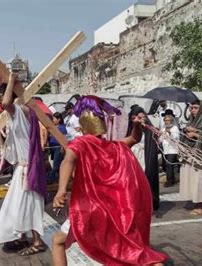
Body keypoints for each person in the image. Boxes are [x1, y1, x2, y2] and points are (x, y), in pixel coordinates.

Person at [52, 95, 167, 265]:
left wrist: (61, 190)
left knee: (58, 241)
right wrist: (136, 126)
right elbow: (134, 138)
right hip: (115, 211)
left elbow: (67, 161)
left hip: (89, 210)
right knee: (121, 250)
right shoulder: (113, 146)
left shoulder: (80, 143)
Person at [0, 74, 47, 256]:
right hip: (21, 167)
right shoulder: (14, 115)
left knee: (30, 204)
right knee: (17, 205)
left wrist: (12, 79)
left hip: (29, 168)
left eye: (1, 94)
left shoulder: (23, 110)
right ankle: (22, 236)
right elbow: (14, 140)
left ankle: (37, 242)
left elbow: (6, 104)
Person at [127, 105, 160, 210]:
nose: (137, 120)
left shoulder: (150, 130)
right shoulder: (130, 131)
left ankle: (149, 203)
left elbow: (154, 145)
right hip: (134, 158)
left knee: (146, 180)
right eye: (134, 118)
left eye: (140, 118)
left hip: (145, 158)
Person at [48, 112, 67, 184]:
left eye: (54, 118)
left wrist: (62, 147)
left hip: (58, 147)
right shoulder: (53, 127)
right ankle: (59, 180)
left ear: (58, 119)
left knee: (55, 165)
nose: (52, 120)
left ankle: (50, 179)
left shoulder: (62, 127)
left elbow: (64, 137)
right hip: (53, 148)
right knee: (57, 166)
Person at [161, 113, 180, 187]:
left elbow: (176, 138)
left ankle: (170, 181)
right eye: (165, 120)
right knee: (168, 166)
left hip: (172, 150)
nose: (166, 122)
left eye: (168, 120)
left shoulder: (174, 128)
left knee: (169, 165)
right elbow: (161, 138)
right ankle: (172, 179)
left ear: (171, 121)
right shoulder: (163, 129)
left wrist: (170, 133)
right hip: (165, 150)